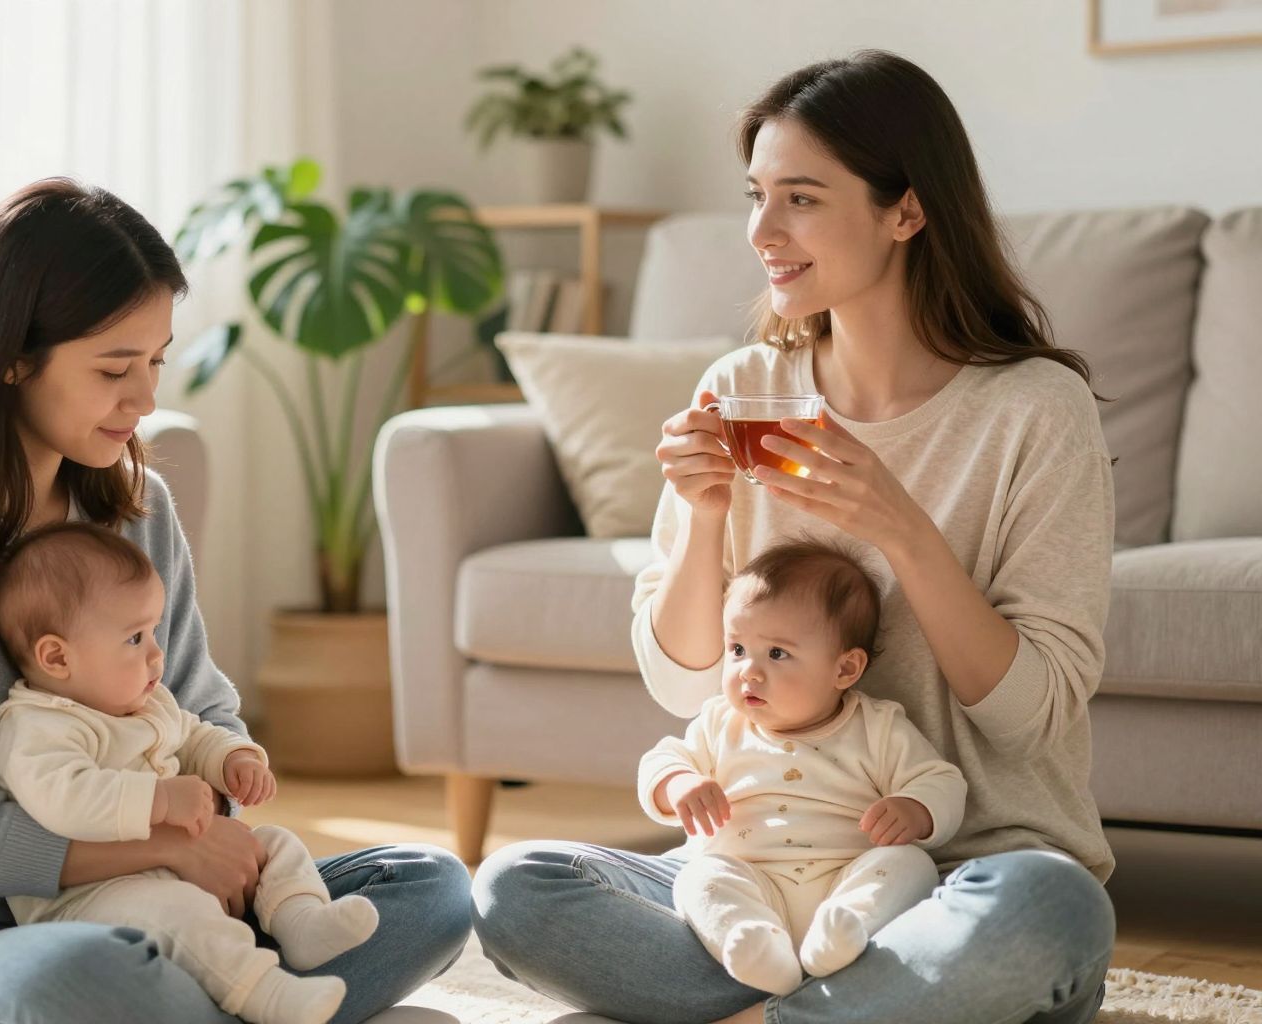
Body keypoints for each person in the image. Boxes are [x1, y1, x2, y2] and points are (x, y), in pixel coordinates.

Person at [473, 50, 1117, 1024]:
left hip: (960, 876)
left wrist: (903, 530)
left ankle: (782, 1006)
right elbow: (683, 687)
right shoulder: (744, 390)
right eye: (757, 196)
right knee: (516, 888)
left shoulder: (1035, 410)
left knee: (1051, 909)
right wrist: (704, 515)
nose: (762, 231)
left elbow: (1031, 721)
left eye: (801, 199)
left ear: (907, 211)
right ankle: (847, 1003)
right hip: (764, 875)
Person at [0, 177, 470, 1024]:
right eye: (115, 368)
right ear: (11, 356)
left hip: (164, 906)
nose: (146, 398)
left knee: (430, 887)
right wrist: (163, 845)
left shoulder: (137, 509)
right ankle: (227, 1000)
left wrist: (216, 797)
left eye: (155, 362)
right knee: (90, 974)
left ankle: (220, 997)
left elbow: (200, 709)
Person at [0, 522, 380, 1024]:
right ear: (57, 657)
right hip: (89, 897)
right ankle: (265, 993)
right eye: (134, 638)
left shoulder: (144, 703)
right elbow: (64, 798)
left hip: (177, 876)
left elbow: (194, 735)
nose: (157, 653)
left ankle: (302, 924)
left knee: (275, 843)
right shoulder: (37, 725)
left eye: (153, 631)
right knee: (179, 914)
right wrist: (161, 800)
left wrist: (233, 759)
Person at [641, 539, 966, 996]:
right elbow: (662, 760)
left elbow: (941, 780)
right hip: (750, 880)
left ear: (845, 669)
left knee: (911, 864)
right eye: (737, 648)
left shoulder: (877, 726)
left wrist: (916, 808)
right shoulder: (720, 722)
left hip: (846, 878)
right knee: (698, 878)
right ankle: (752, 945)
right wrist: (679, 784)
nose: (748, 671)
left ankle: (847, 931)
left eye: (776, 653)